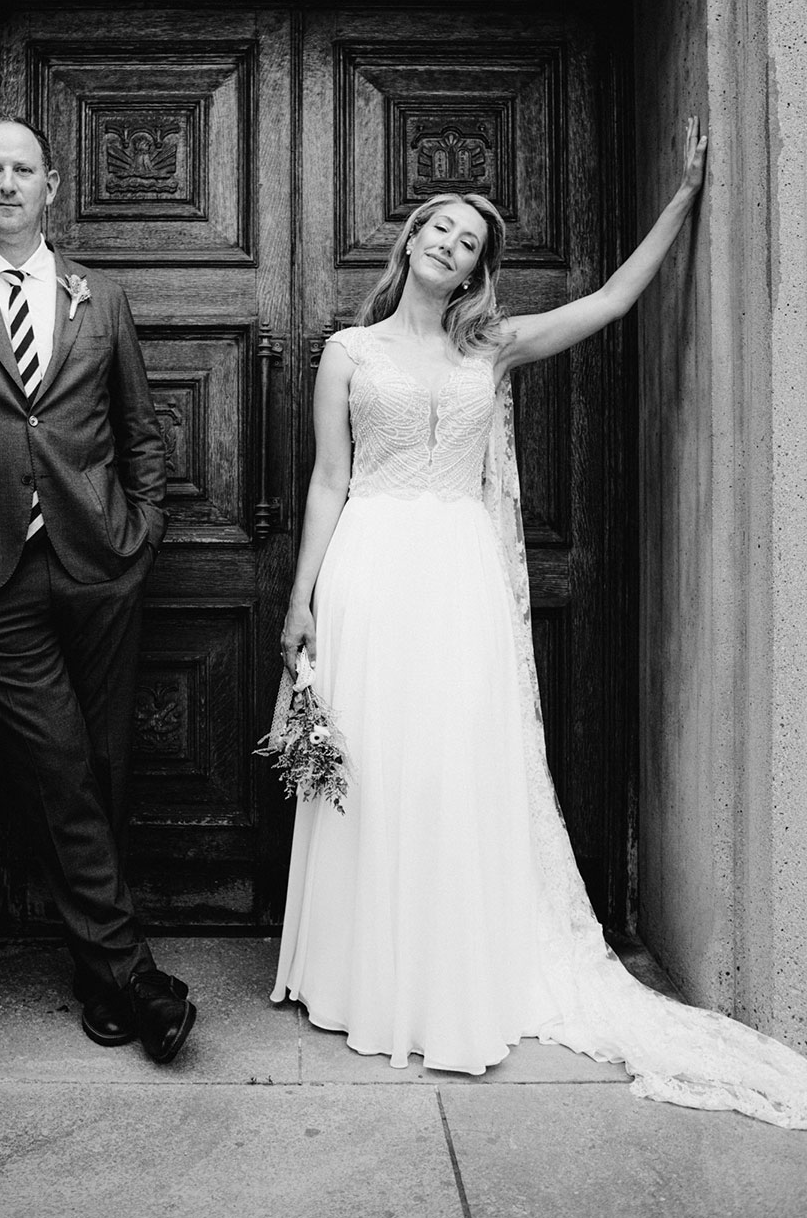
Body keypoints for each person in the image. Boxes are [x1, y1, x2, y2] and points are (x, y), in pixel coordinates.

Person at [272, 118, 807, 1127]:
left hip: (461, 574)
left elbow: (606, 301)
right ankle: (364, 969)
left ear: (478, 268)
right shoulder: (345, 350)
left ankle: (452, 963)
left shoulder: (495, 347)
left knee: (453, 762)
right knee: (377, 763)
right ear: (408, 241)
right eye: (434, 225)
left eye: (466, 238)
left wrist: (682, 202)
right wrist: (301, 597)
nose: (445, 242)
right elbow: (330, 479)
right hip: (370, 569)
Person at [0, 116, 196, 1064]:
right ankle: (135, 974)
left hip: (97, 560)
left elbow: (138, 427)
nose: (9, 182)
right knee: (61, 764)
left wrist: (140, 533)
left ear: (54, 184)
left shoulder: (100, 296)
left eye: (25, 168)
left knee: (101, 764)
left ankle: (98, 977)